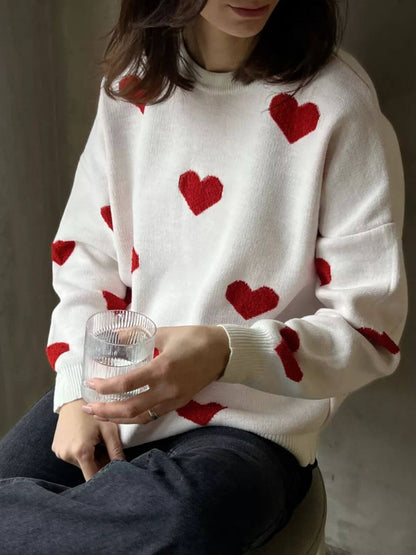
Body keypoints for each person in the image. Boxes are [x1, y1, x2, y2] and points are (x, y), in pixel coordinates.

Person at [0, 0, 408, 553]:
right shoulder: (132, 89)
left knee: (184, 518)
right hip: (114, 391)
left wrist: (222, 352)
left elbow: (369, 334)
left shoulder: (338, 107)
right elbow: (87, 264)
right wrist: (74, 391)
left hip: (248, 433)